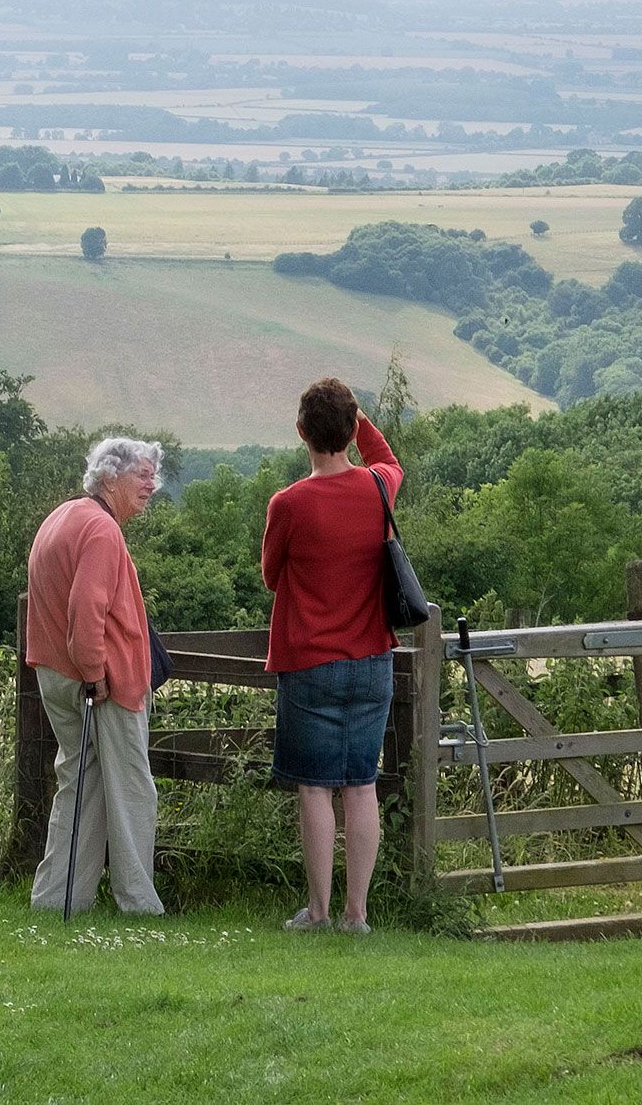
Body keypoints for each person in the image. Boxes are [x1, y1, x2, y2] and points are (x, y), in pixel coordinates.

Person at [261, 377, 406, 934]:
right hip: (372, 659)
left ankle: (318, 911)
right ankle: (357, 915)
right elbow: (388, 456)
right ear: (351, 429)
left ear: (301, 434)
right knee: (361, 783)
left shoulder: (289, 504)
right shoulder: (377, 487)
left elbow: (273, 577)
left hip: (309, 663)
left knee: (316, 788)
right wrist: (360, 419)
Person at [23, 434, 166, 917]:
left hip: (54, 673)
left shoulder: (61, 517)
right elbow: (87, 607)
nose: (152, 484)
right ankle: (139, 904)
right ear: (108, 476)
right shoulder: (102, 531)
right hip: (100, 682)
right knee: (130, 789)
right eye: (140, 475)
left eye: (153, 475)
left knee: (79, 785)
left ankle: (58, 899)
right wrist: (94, 671)